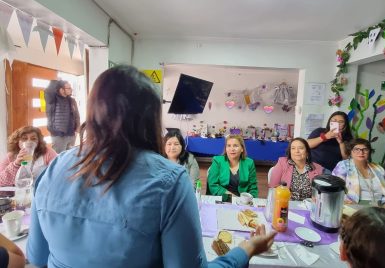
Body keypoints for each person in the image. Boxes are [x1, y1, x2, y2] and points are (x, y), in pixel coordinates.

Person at [27, 65, 275, 267]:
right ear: (151, 117)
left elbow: (37, 257)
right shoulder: (169, 181)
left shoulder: (54, 168)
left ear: (93, 111)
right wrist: (246, 249)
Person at [332, 138, 385, 205]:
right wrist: (348, 202)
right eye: (356, 149)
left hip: (380, 205)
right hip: (354, 205)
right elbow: (335, 188)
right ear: (350, 151)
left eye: (365, 149)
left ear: (369, 152)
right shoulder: (344, 166)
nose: (361, 152)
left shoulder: (378, 168)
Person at [208, 135, 258, 200]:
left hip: (242, 201)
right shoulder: (217, 161)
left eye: (235, 146)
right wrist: (233, 198)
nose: (232, 149)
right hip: (222, 198)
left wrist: (249, 200)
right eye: (229, 146)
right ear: (225, 149)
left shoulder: (249, 163)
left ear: (242, 149)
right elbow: (213, 185)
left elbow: (253, 188)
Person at [45, 80, 80, 153]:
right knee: (58, 157)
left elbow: (77, 115)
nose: (71, 89)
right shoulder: (52, 99)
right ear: (61, 89)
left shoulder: (72, 100)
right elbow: (48, 91)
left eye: (71, 88)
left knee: (70, 156)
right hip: (59, 135)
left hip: (71, 134)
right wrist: (58, 82)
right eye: (68, 88)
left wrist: (77, 128)